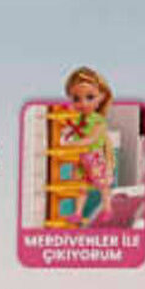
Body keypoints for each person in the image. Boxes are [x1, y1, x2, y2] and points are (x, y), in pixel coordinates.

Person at [59, 65, 115, 222]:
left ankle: (107, 208)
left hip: (94, 157)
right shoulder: (79, 118)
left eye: (89, 97)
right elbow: (73, 130)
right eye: (76, 98)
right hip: (82, 158)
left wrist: (71, 144)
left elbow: (91, 139)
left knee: (102, 185)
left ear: (101, 97)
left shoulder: (99, 120)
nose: (83, 103)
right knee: (81, 187)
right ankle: (78, 213)